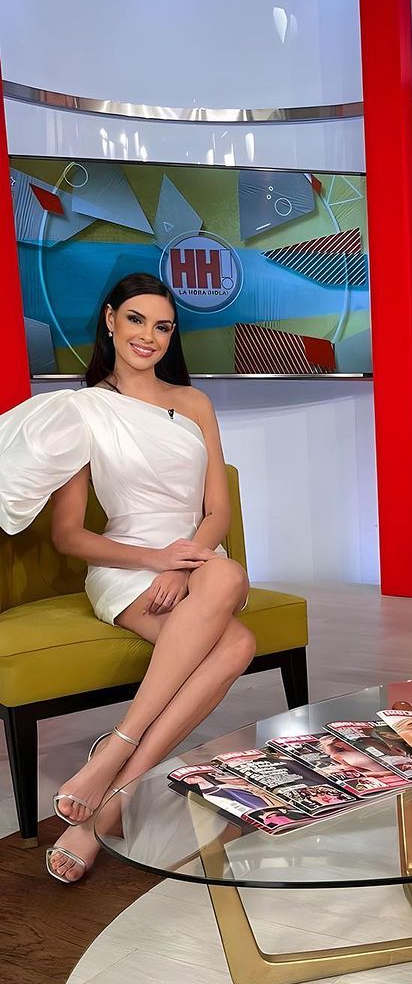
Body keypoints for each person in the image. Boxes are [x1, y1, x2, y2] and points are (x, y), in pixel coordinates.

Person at [0, 273, 256, 883]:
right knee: (238, 643)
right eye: (136, 319)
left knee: (224, 575)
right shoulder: (81, 412)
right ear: (110, 320)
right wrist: (154, 561)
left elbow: (216, 511)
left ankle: (113, 768)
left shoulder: (194, 403)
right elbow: (69, 536)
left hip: (198, 556)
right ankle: (118, 793)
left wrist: (184, 560)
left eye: (163, 326)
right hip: (127, 565)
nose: (149, 336)